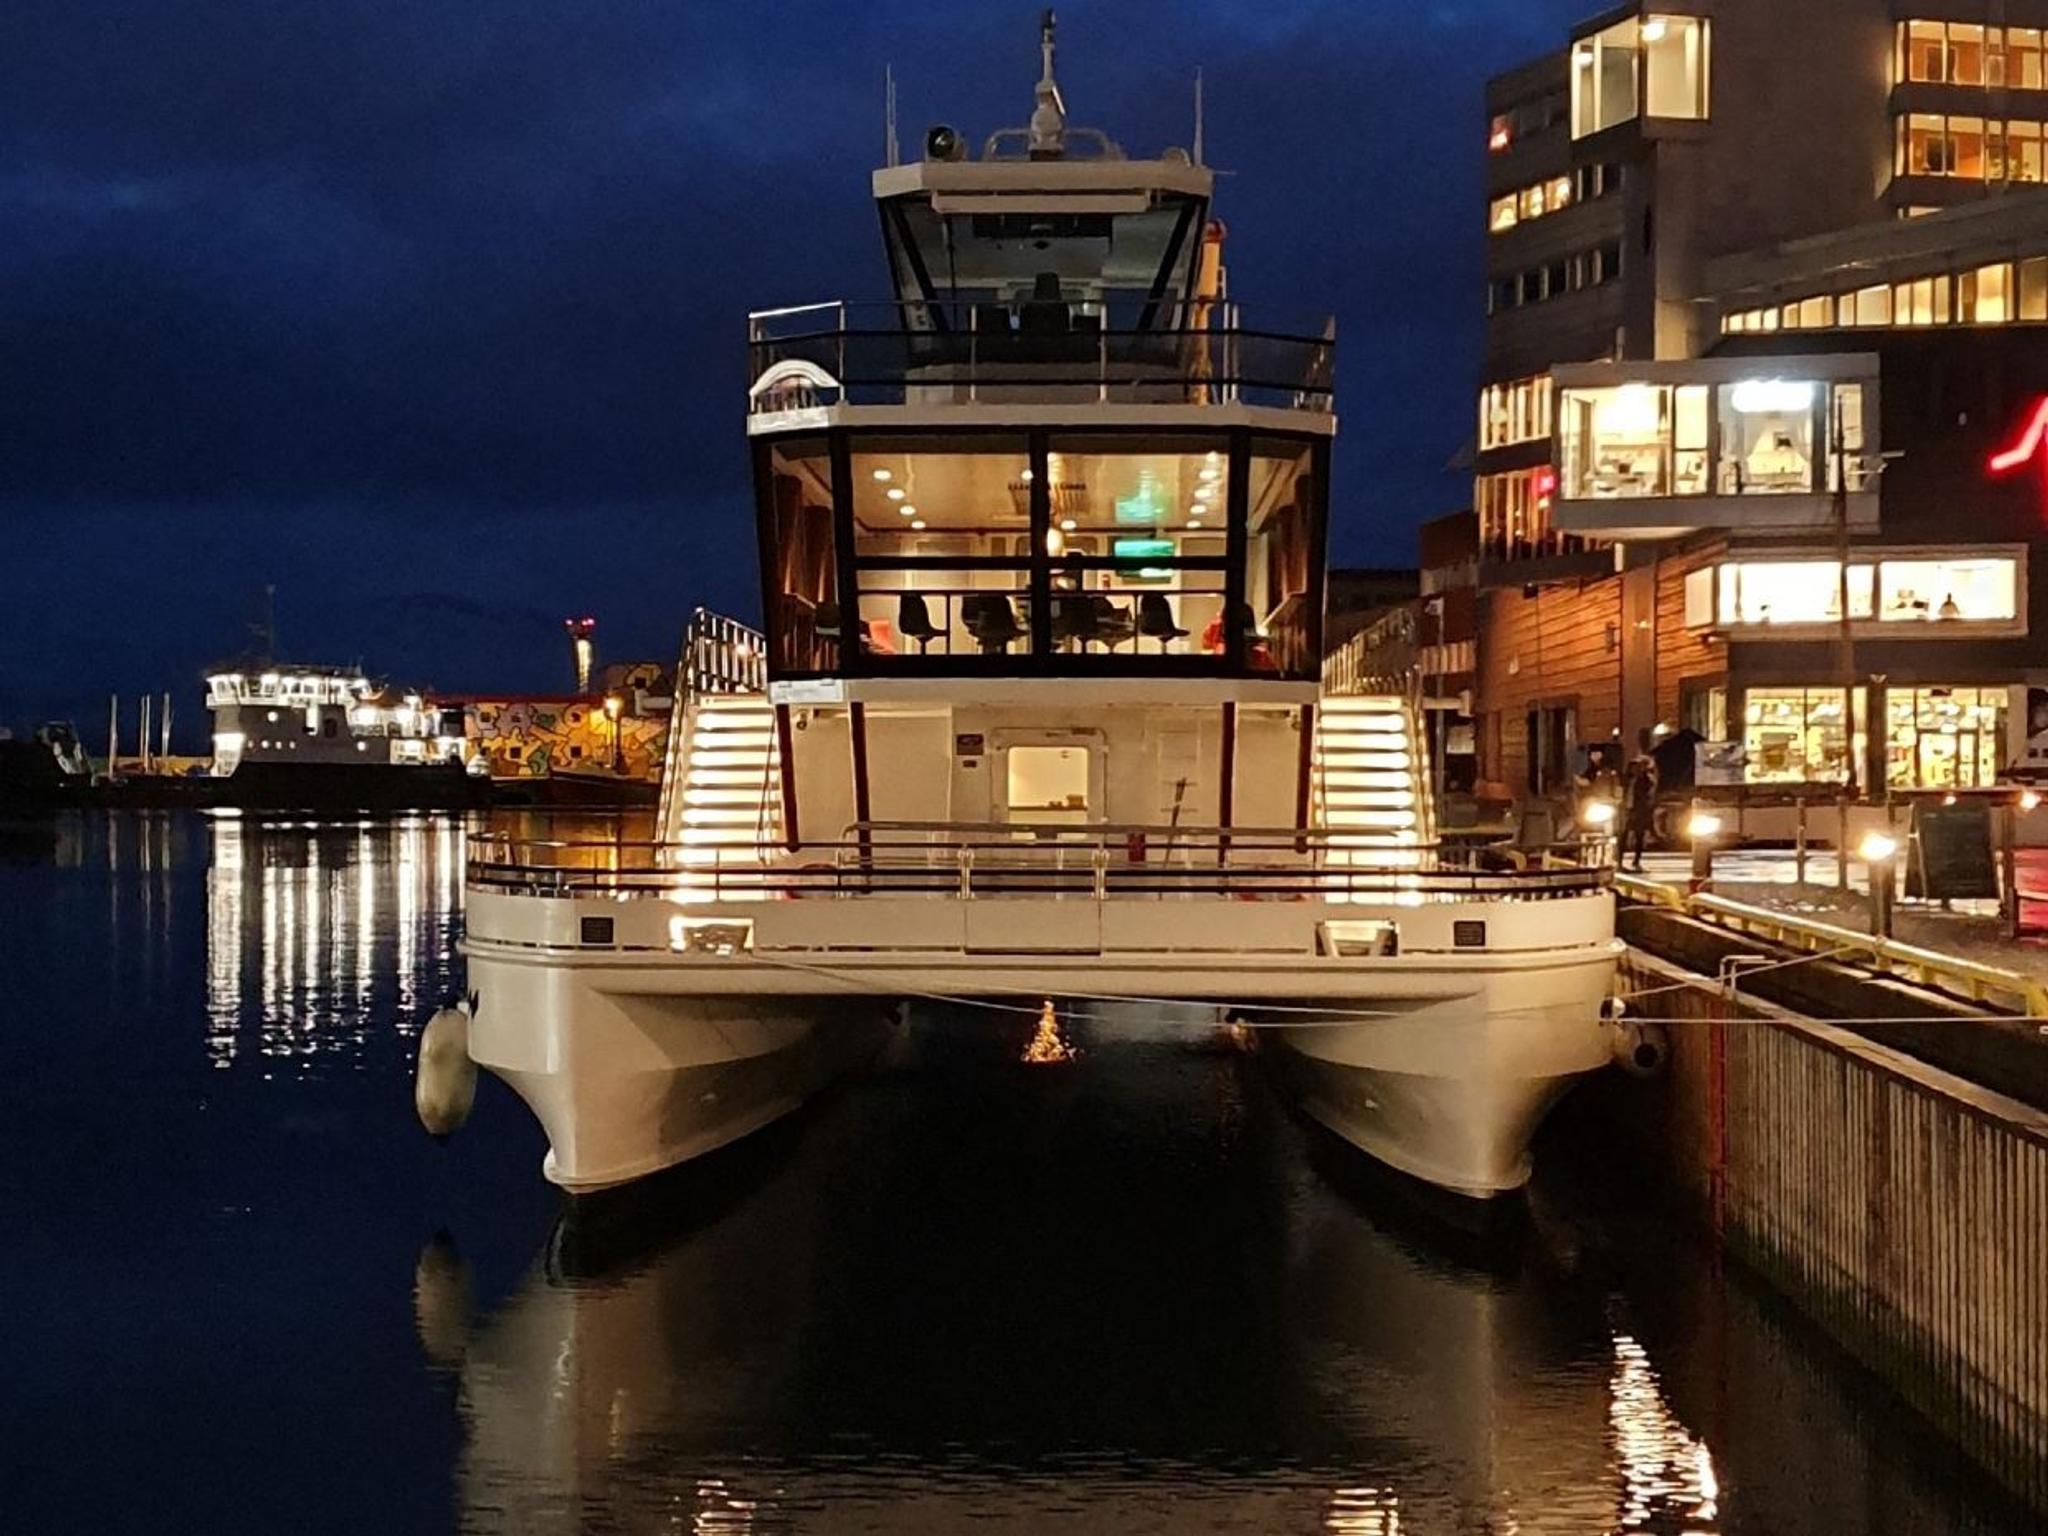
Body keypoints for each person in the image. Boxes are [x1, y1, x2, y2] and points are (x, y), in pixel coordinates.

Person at [1622, 736, 1659, 871]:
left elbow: (1650, 795)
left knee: (1638, 836)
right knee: (1623, 836)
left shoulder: (1646, 780)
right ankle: (1620, 862)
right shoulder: (1628, 778)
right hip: (1626, 809)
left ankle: (1636, 861)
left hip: (1639, 810)